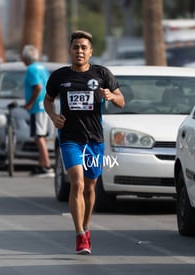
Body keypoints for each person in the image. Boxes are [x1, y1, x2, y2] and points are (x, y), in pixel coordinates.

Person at [44, 30, 125, 254]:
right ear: (70, 51)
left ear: (90, 52)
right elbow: (48, 100)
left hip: (94, 139)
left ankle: (87, 226)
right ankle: (80, 234)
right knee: (77, 183)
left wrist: (111, 96)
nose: (79, 51)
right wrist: (53, 116)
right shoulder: (60, 76)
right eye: (75, 47)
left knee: (90, 187)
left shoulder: (101, 74)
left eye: (83, 47)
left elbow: (121, 101)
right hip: (70, 138)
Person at [21, 44, 53, 176]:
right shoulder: (42, 67)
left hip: (37, 107)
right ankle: (41, 165)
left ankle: (47, 166)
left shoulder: (31, 69)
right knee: (42, 136)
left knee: (39, 136)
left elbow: (38, 87)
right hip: (44, 105)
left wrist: (29, 103)